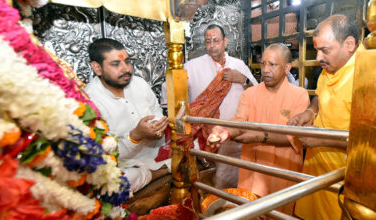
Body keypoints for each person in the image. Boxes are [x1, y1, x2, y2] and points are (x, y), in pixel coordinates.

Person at [207, 43, 310, 215]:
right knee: (251, 213)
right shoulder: (250, 94)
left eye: (272, 64)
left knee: (280, 215)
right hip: (252, 172)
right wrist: (227, 131)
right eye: (263, 64)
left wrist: (258, 137)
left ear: (286, 68)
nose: (266, 69)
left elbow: (294, 137)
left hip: (283, 173)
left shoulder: (299, 95)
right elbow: (240, 121)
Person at [163, 24, 258, 189]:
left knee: (237, 180)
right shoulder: (192, 66)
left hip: (235, 136)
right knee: (210, 184)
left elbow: (257, 92)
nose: (212, 45)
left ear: (225, 41)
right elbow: (169, 89)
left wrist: (244, 80)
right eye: (208, 41)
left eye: (216, 41)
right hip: (206, 138)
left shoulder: (239, 65)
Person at [287, 14, 362, 219]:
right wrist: (309, 112)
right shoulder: (327, 71)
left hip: (345, 183)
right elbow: (319, 98)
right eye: (317, 49)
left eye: (324, 50)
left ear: (349, 44)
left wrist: (319, 138)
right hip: (315, 171)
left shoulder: (367, 76)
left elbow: (369, 143)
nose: (318, 57)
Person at [85, 38, 171, 193]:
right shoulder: (91, 102)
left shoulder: (138, 83)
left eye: (127, 61)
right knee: (112, 184)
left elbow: (156, 111)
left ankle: (162, 167)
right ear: (97, 68)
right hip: (123, 163)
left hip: (155, 150)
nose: (126, 69)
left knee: (198, 139)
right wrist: (135, 136)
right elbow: (106, 153)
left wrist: (158, 128)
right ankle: (162, 171)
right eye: (115, 64)